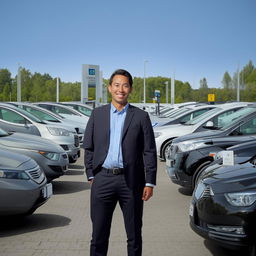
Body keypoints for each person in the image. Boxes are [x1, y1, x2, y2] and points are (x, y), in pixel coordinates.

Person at [83, 69, 157, 256]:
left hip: (131, 182)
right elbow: (89, 147)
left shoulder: (140, 116)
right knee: (98, 235)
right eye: (116, 85)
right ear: (109, 88)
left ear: (130, 89)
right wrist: (91, 174)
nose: (120, 89)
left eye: (125, 85)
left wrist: (150, 182)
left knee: (134, 235)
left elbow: (149, 151)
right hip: (103, 180)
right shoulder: (97, 115)